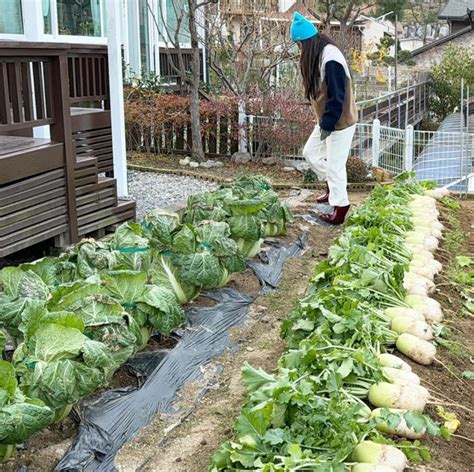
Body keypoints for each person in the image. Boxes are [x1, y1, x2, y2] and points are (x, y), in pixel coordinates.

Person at [290, 12, 357, 225]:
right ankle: (332, 187)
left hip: (340, 121)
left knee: (336, 166)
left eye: (299, 44)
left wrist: (327, 124)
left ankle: (341, 206)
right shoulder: (321, 54)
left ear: (306, 41)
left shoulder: (331, 58)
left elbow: (338, 96)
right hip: (329, 121)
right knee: (310, 153)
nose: (299, 49)